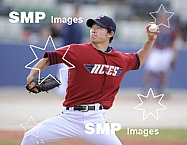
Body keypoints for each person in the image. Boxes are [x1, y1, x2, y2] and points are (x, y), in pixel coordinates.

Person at [21, 15, 159, 145]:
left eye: (99, 28)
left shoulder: (120, 59)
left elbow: (139, 60)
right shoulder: (76, 50)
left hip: (95, 122)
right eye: (93, 27)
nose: (93, 30)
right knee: (31, 137)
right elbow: (48, 59)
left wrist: (150, 40)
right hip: (69, 118)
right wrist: (31, 76)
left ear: (110, 34)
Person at [144, 12, 178, 95]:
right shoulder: (155, 27)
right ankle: (146, 90)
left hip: (166, 50)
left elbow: (174, 43)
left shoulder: (172, 28)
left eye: (164, 18)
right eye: (161, 18)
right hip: (157, 50)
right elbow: (149, 39)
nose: (162, 20)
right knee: (149, 70)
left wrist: (174, 56)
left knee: (164, 72)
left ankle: (161, 91)